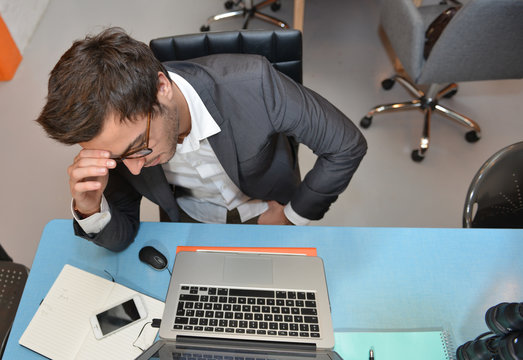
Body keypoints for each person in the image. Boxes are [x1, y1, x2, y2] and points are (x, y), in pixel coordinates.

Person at [37, 27, 367, 252]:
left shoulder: (256, 85)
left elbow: (345, 146)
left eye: (139, 147)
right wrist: (89, 207)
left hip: (269, 211)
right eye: (121, 159)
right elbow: (121, 236)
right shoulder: (121, 144)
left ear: (161, 88)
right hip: (187, 226)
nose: (134, 170)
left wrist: (292, 218)